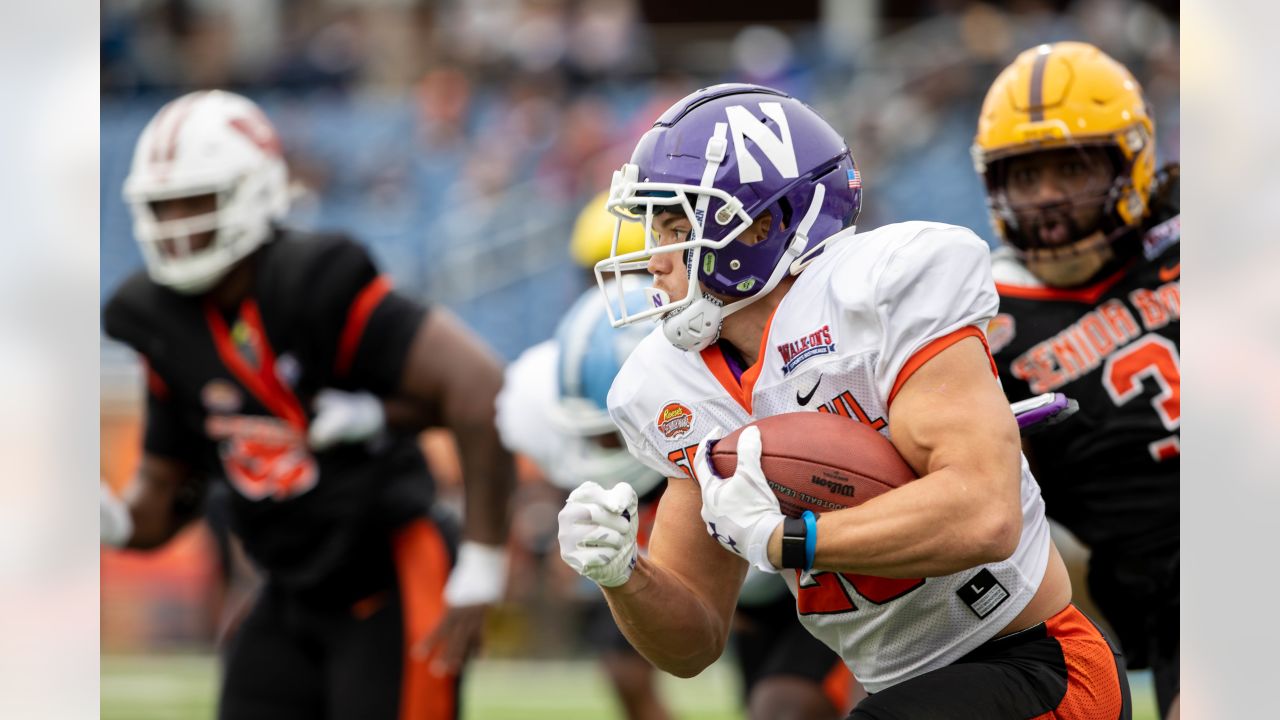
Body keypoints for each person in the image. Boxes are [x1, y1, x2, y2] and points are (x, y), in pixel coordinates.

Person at [558, 83, 1131, 719]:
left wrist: (788, 542)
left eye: (675, 226)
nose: (654, 259)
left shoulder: (878, 293)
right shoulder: (674, 386)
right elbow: (692, 644)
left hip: (1037, 666)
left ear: (760, 226)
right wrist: (623, 577)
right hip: (903, 689)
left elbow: (984, 515)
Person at [98, 90, 514, 720]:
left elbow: (479, 385)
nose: (176, 223)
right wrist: (112, 521)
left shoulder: (313, 281)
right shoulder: (158, 321)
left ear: (254, 192)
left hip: (388, 569)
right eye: (162, 206)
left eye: (195, 200)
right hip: (290, 584)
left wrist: (483, 564)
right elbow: (162, 496)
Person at [502, 196, 857, 720]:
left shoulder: (743, 388)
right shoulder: (555, 392)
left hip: (805, 582)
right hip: (734, 592)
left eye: (674, 239)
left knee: (783, 706)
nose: (650, 271)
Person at [972, 41, 1180, 718]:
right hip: (1168, 591)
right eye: (1027, 177)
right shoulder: (980, 314)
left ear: (1133, 161)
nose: (1050, 196)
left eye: (1072, 167)